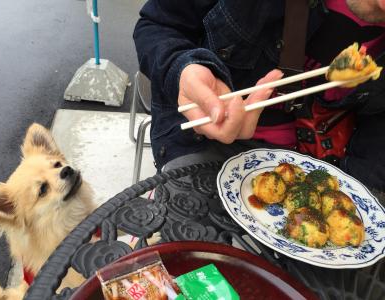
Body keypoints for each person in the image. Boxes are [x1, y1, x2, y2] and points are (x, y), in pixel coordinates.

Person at [133, 0, 385, 196]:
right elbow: (158, 25)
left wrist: (364, 191)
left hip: (328, 155)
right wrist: (182, 69)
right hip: (204, 138)